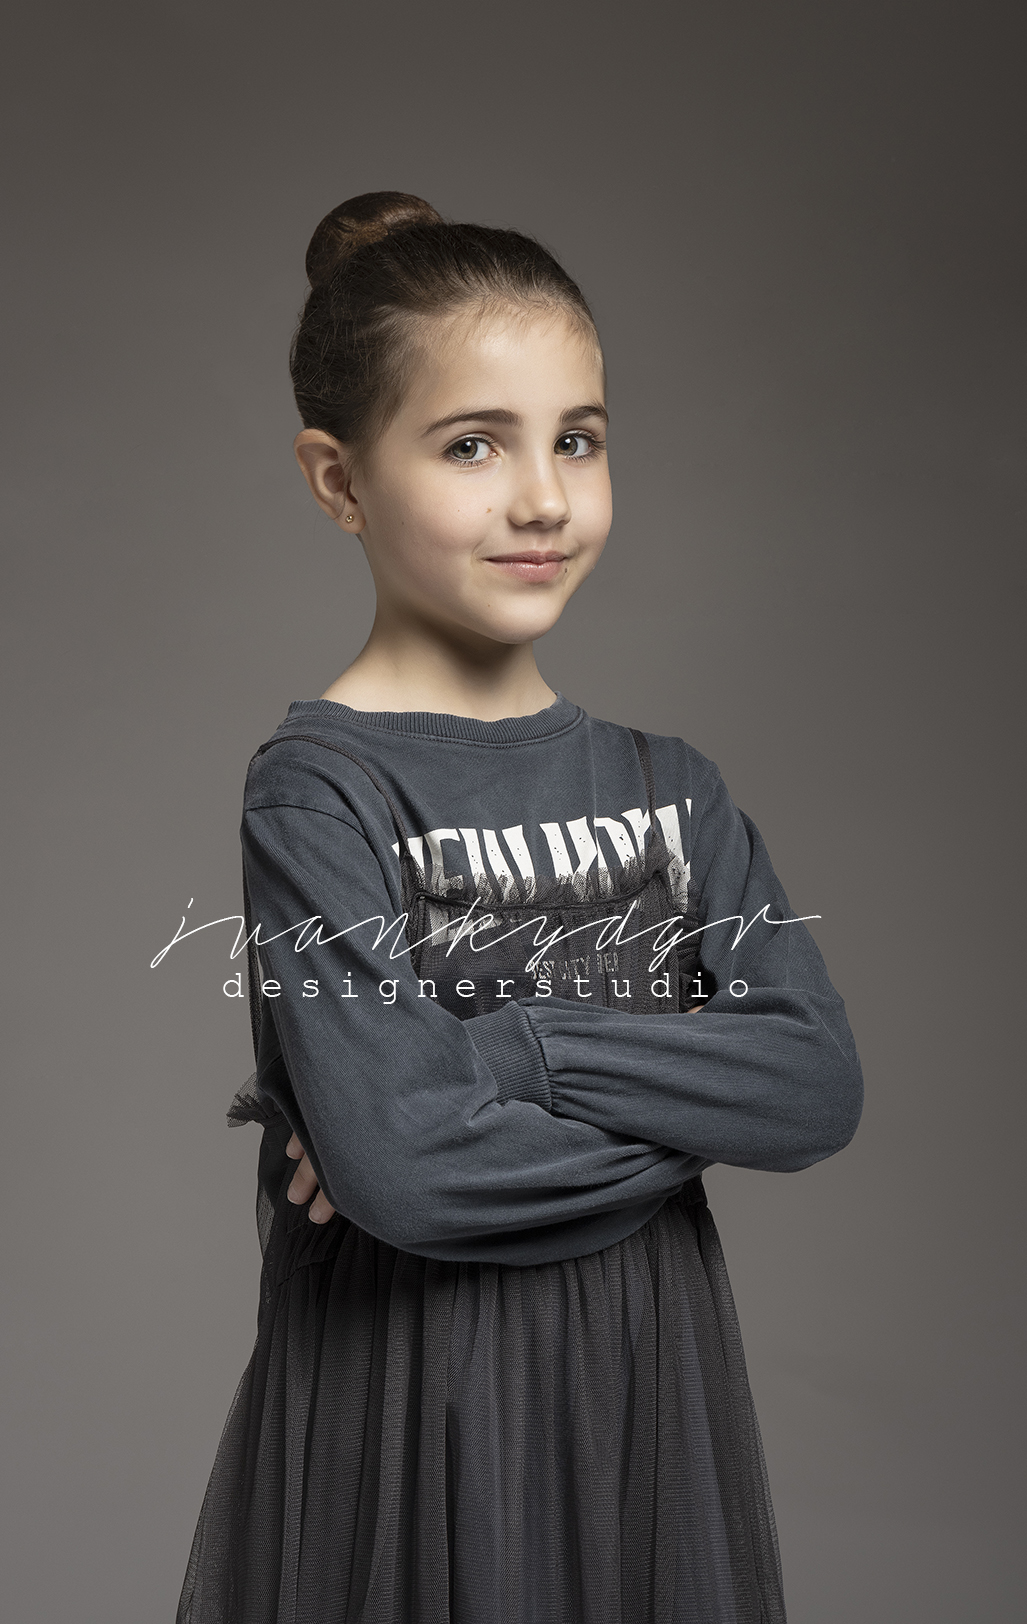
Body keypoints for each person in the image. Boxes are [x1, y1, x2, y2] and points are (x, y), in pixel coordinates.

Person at [176, 192, 863, 1624]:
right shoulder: (322, 794)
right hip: (413, 1414)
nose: (544, 497)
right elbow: (410, 1176)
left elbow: (810, 1084)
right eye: (473, 444)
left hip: (648, 1409)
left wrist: (509, 1053)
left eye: (580, 439)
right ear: (339, 480)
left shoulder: (673, 787)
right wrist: (689, 1109)